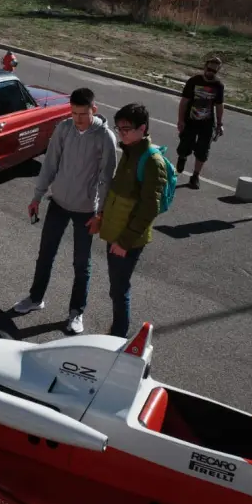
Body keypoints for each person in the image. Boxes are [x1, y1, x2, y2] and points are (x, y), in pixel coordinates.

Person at [13, 88, 117, 334]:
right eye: (73, 113)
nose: (78, 119)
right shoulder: (64, 129)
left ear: (94, 109)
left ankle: (76, 312)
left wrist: (99, 213)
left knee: (81, 264)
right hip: (58, 203)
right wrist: (37, 196)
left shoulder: (105, 137)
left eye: (83, 114)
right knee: (45, 254)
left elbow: (107, 178)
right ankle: (35, 299)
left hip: (86, 210)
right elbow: (50, 164)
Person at [98, 104, 168, 337]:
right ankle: (117, 331)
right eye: (118, 128)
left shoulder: (152, 162)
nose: (121, 133)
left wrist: (125, 242)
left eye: (126, 129)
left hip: (127, 240)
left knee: (119, 289)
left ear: (143, 128)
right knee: (115, 288)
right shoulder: (130, 151)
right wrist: (102, 218)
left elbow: (150, 208)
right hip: (116, 234)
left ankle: (118, 336)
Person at [176, 56, 225, 189]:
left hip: (207, 123)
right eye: (209, 69)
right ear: (204, 67)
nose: (211, 73)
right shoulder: (194, 81)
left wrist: (220, 124)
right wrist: (180, 120)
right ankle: (182, 157)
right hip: (190, 121)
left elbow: (219, 106)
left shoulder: (218, 86)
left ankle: (195, 176)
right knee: (185, 146)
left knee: (203, 151)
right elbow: (184, 102)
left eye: (214, 71)